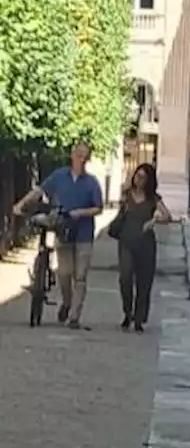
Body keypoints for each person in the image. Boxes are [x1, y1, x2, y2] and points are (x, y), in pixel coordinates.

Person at [12, 141, 105, 329]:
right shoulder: (60, 176)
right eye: (79, 155)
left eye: (85, 156)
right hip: (63, 231)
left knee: (80, 276)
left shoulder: (91, 182)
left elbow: (98, 208)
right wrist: (21, 204)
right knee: (64, 273)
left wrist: (81, 212)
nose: (82, 159)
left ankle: (74, 317)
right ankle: (67, 302)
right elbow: (39, 190)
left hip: (84, 235)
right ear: (72, 155)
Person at [108, 163, 173, 332]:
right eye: (137, 175)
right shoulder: (126, 195)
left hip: (145, 243)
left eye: (143, 177)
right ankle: (127, 312)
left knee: (144, 283)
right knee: (125, 278)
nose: (139, 179)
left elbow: (167, 216)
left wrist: (154, 221)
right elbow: (120, 215)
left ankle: (139, 318)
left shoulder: (153, 199)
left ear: (149, 180)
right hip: (127, 241)